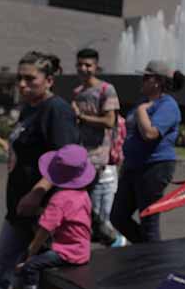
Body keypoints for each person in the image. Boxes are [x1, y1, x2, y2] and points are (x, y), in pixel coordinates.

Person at [0, 51, 80, 289]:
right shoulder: (29, 108)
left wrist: (37, 192)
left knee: (34, 275)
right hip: (19, 208)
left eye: (30, 79)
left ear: (49, 80)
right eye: (20, 78)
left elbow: (67, 159)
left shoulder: (57, 110)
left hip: (43, 211)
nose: (22, 84)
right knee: (7, 270)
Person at [110, 60, 184, 243]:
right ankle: (145, 249)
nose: (141, 80)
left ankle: (150, 256)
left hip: (155, 167)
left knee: (148, 220)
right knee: (118, 216)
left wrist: (142, 111)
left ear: (158, 81)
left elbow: (150, 134)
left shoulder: (167, 105)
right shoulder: (142, 102)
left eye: (146, 77)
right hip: (133, 166)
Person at [14, 145, 94, 289]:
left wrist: (30, 254)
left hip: (68, 253)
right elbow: (70, 215)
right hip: (83, 250)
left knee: (30, 267)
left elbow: (44, 231)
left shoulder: (59, 199)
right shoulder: (83, 194)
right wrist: (43, 211)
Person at [71, 48, 122, 246]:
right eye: (80, 64)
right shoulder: (78, 92)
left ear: (96, 67)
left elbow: (109, 121)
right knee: (83, 205)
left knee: (97, 210)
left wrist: (81, 116)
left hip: (99, 157)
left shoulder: (106, 89)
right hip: (81, 155)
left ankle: (114, 242)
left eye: (88, 65)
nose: (83, 69)